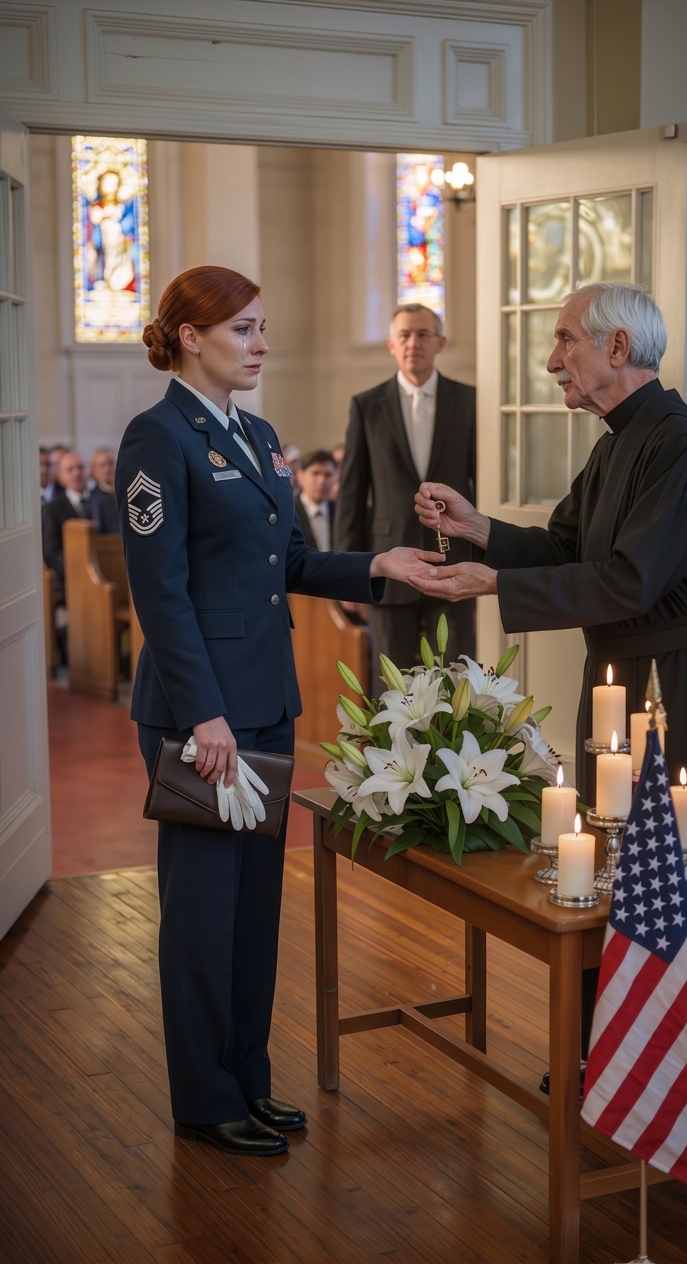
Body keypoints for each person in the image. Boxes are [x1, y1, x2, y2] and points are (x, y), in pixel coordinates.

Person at [412, 281, 687, 1064]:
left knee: (681, 872)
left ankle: (684, 1058)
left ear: (618, 348)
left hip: (685, 687)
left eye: (565, 342)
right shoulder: (618, 439)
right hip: (628, 676)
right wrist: (476, 527)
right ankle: (624, 1050)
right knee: (622, 865)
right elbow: (566, 550)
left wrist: (494, 584)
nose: (552, 361)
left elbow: (630, 580)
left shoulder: (679, 441)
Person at [116, 265, 442, 1159]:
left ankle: (248, 1085)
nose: (262, 345)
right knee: (201, 909)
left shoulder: (256, 435)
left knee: (254, 909)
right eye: (245, 330)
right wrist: (202, 716)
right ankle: (203, 1098)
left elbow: (293, 561)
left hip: (261, 705)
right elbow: (163, 594)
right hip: (202, 715)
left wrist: (381, 564)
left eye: (264, 329)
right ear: (190, 336)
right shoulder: (157, 440)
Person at [335, 303, 476, 670]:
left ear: (440, 342)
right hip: (389, 561)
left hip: (454, 558)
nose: (414, 342)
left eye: (423, 334)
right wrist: (349, 574)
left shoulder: (470, 401)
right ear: (391, 344)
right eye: (405, 335)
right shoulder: (366, 405)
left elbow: (482, 485)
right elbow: (351, 493)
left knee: (457, 676)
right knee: (391, 683)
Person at [41, 451, 94, 600]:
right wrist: (79, 570)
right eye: (70, 470)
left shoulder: (104, 501)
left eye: (81, 467)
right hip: (70, 577)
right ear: (60, 476)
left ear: (89, 471)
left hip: (105, 570)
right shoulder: (52, 508)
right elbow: (51, 551)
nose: (77, 473)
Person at [293, 449, 336, 550]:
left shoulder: (340, 512)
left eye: (328, 475)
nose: (322, 481)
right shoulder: (290, 512)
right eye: (315, 473)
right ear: (300, 476)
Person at [88, 446, 121, 533]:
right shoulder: (91, 498)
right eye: (102, 465)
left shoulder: (128, 493)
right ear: (94, 470)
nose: (107, 469)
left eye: (111, 463)